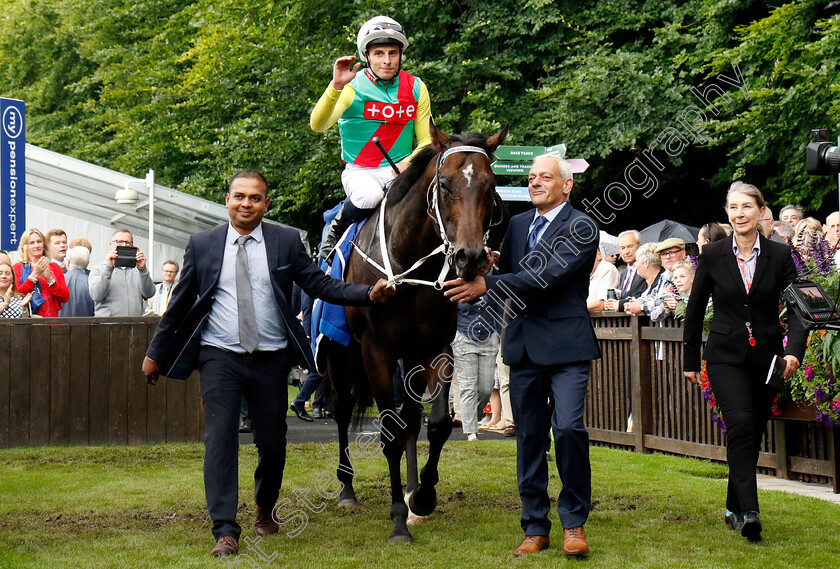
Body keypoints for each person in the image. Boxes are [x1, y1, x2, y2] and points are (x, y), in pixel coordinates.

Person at [141, 170, 393, 557]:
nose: (246, 204)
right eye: (239, 196)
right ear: (227, 200)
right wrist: (155, 354)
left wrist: (366, 293)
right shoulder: (203, 245)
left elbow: (320, 285)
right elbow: (179, 305)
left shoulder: (285, 242)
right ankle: (225, 529)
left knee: (273, 442)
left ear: (266, 204)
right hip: (218, 356)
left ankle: (265, 506)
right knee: (221, 437)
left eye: (255, 198)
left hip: (271, 358)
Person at [444, 154, 600, 557]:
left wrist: (489, 283)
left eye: (544, 177)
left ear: (566, 185)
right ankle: (534, 526)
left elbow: (544, 277)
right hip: (523, 346)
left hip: (567, 347)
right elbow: (512, 272)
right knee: (529, 438)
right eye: (531, 178)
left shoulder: (581, 226)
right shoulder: (516, 225)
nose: (534, 183)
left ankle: (574, 524)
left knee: (567, 430)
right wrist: (492, 264)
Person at [683, 181, 808, 542]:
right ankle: (750, 511)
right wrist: (691, 358)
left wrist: (793, 352)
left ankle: (732, 504)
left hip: (767, 358)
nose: (739, 214)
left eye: (747, 207)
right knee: (739, 424)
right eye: (733, 208)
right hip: (723, 356)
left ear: (760, 212)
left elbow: (798, 309)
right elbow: (694, 310)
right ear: (727, 213)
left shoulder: (780, 256)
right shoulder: (713, 255)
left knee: (752, 431)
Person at [310, 15, 433, 259]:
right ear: (367, 56)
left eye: (392, 53)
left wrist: (407, 163)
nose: (387, 61)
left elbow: (428, 141)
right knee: (370, 196)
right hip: (360, 171)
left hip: (401, 170)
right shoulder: (351, 86)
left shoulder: (417, 86)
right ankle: (335, 229)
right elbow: (318, 125)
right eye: (379, 53)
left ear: (400, 55)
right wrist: (335, 87)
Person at [451, 296, 500, 441]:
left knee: (486, 388)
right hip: (463, 338)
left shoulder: (492, 283)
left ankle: (472, 417)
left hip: (489, 337)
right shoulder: (458, 286)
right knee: (468, 387)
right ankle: (471, 433)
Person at [89, 229, 156, 316]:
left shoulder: (137, 270)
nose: (124, 245)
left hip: (134, 326)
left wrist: (143, 269)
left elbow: (149, 293)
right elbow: (96, 295)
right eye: (119, 242)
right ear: (111, 245)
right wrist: (108, 269)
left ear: (133, 245)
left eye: (128, 242)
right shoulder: (99, 269)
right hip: (108, 326)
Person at [13, 228, 70, 317]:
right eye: (31, 243)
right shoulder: (17, 268)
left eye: (39, 241)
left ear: (44, 244)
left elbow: (64, 297)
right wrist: (33, 276)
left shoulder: (55, 267)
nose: (37, 245)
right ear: (25, 247)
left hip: (52, 322)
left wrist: (49, 279)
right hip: (28, 321)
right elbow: (16, 295)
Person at [603, 230, 646, 312]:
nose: (626, 252)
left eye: (630, 246)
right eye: (622, 248)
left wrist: (619, 304)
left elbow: (643, 296)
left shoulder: (646, 268)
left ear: (639, 246)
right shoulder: (624, 273)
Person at [62, 246, 95, 317]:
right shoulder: (91, 282)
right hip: (87, 326)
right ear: (87, 263)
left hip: (60, 326)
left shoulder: (59, 281)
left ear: (68, 262)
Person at [586, 243, 620, 311]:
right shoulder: (587, 273)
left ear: (599, 255)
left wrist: (576, 310)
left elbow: (603, 304)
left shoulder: (608, 269)